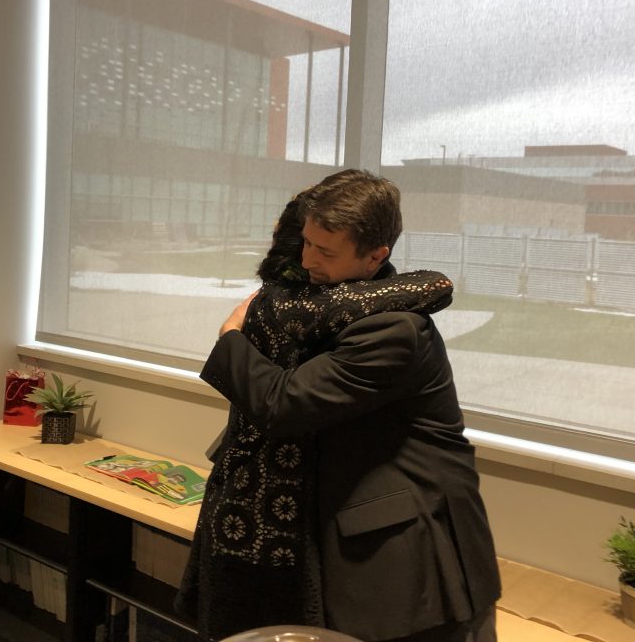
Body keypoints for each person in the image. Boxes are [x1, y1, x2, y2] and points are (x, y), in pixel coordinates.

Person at [196, 169, 500, 642]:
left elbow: (284, 404)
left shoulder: (394, 330)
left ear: (376, 256)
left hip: (411, 565)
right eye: (307, 242)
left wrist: (231, 338)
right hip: (348, 544)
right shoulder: (329, 308)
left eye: (325, 252)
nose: (307, 260)